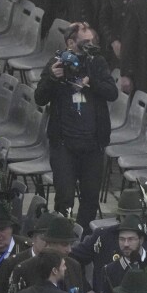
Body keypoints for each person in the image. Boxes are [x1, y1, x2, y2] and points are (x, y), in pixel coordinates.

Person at [36, 22, 118, 229]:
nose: (90, 47)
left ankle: (84, 238)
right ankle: (62, 236)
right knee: (64, 197)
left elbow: (112, 93)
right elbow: (39, 98)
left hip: (92, 143)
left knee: (90, 198)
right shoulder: (57, 63)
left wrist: (92, 82)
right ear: (70, 43)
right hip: (64, 143)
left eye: (92, 42)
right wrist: (52, 78)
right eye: (85, 43)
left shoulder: (97, 62)